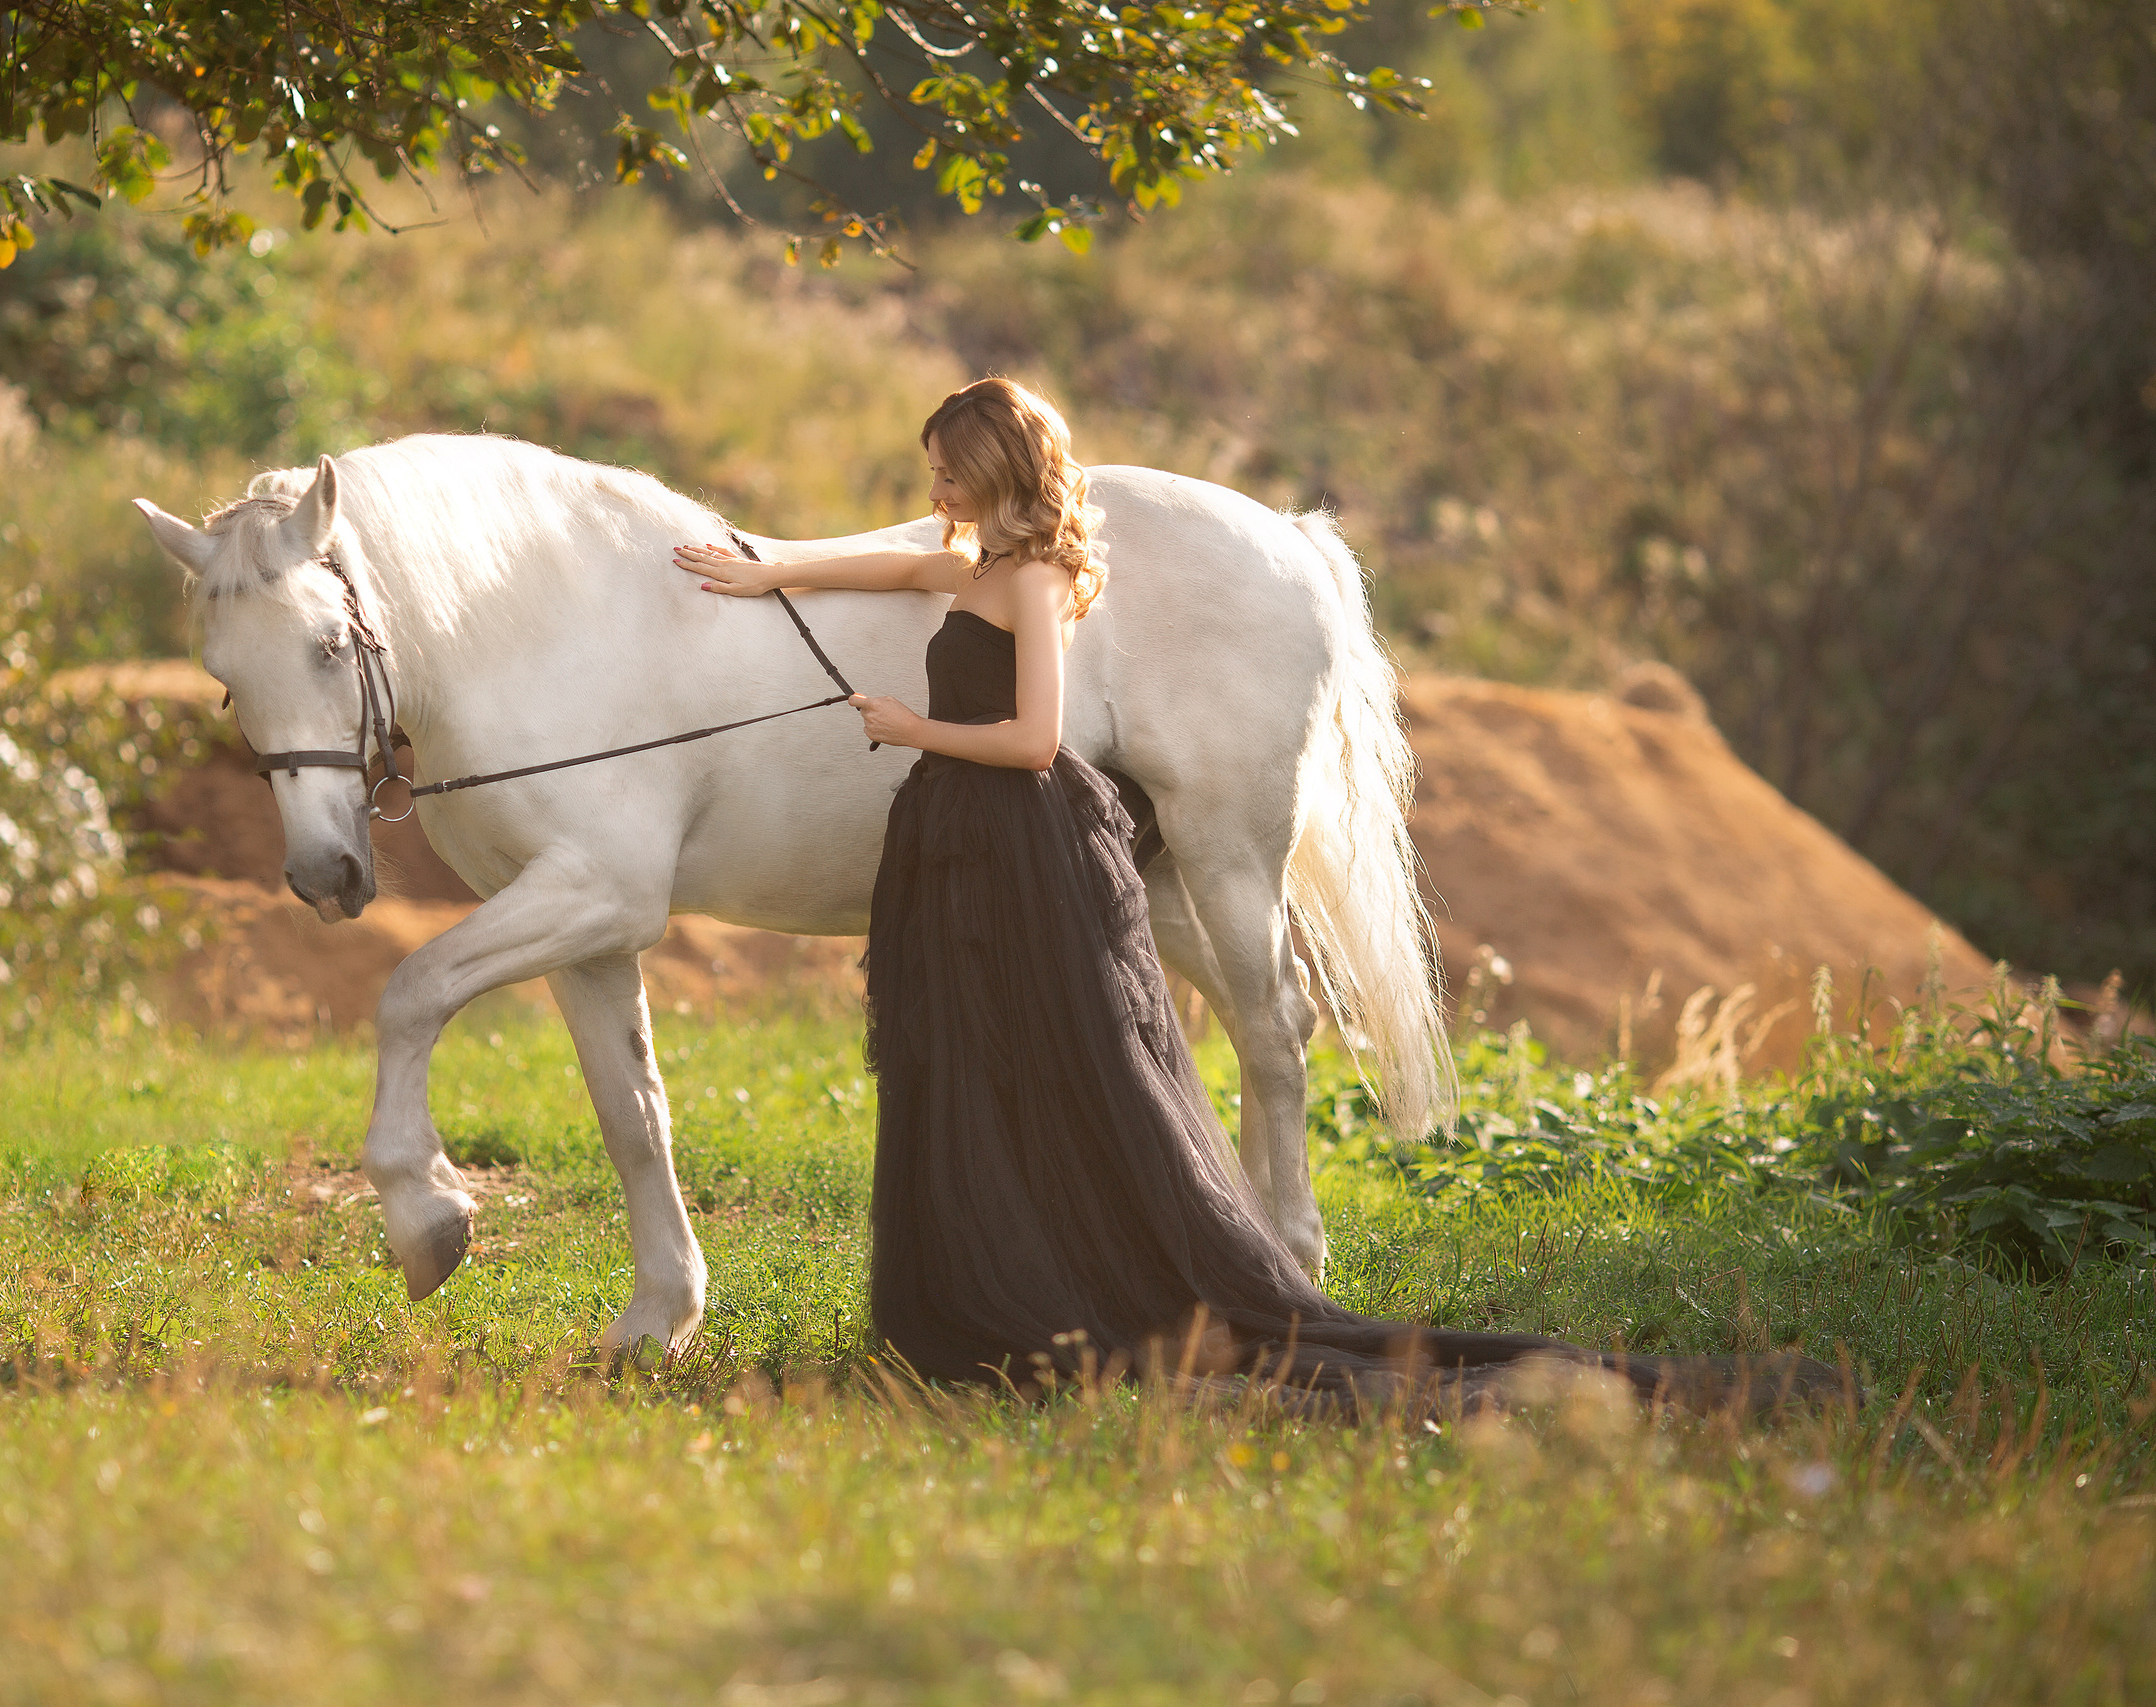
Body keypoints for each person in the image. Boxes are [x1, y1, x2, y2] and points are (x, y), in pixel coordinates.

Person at [674, 379, 1825, 1412]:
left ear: (999, 469)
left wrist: (907, 727)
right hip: (960, 831)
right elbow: (896, 566)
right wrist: (774, 569)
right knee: (962, 1060)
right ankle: (986, 1281)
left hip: (1013, 827)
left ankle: (1063, 1281)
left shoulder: (1034, 582)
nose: (931, 483)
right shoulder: (979, 567)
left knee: (1031, 1057)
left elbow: (1031, 742)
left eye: (947, 464)